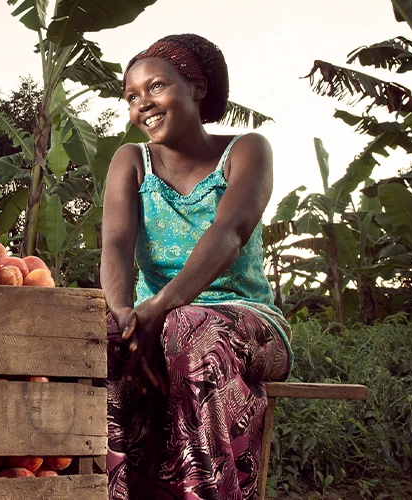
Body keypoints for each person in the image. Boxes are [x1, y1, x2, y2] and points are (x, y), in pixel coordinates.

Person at [99, 33, 293, 500]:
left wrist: (160, 308)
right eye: (131, 96)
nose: (142, 103)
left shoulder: (246, 150)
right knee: (97, 338)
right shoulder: (131, 161)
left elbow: (230, 231)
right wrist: (126, 314)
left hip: (245, 321)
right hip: (154, 321)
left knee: (191, 330)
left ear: (197, 88)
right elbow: (116, 245)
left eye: (157, 87)